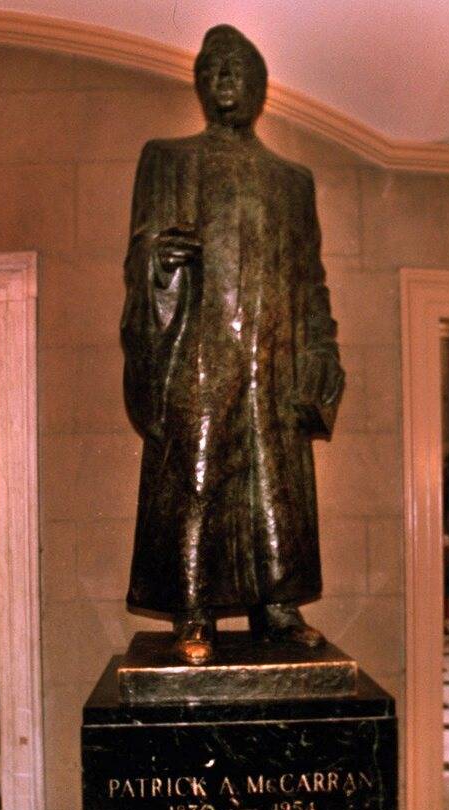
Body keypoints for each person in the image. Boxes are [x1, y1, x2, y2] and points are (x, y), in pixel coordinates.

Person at [121, 25, 345, 666]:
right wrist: (158, 263)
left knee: (277, 485)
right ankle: (193, 608)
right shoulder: (167, 158)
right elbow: (141, 250)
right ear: (198, 85)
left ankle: (277, 604)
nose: (223, 80)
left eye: (235, 69)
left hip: (273, 359)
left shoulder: (292, 181)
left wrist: (321, 356)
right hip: (199, 348)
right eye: (211, 69)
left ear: (260, 85)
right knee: (196, 477)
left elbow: (311, 279)